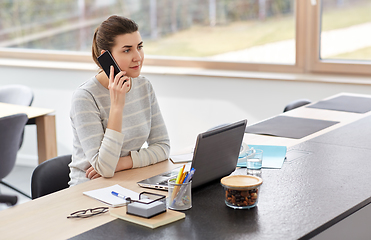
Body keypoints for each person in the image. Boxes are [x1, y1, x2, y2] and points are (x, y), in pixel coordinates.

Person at [68, 15, 170, 186]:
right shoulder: (85, 97)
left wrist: (121, 163)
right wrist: (117, 106)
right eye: (127, 50)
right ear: (106, 56)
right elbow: (105, 169)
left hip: (128, 180)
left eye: (139, 47)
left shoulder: (144, 86)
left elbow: (163, 147)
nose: (137, 57)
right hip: (88, 188)